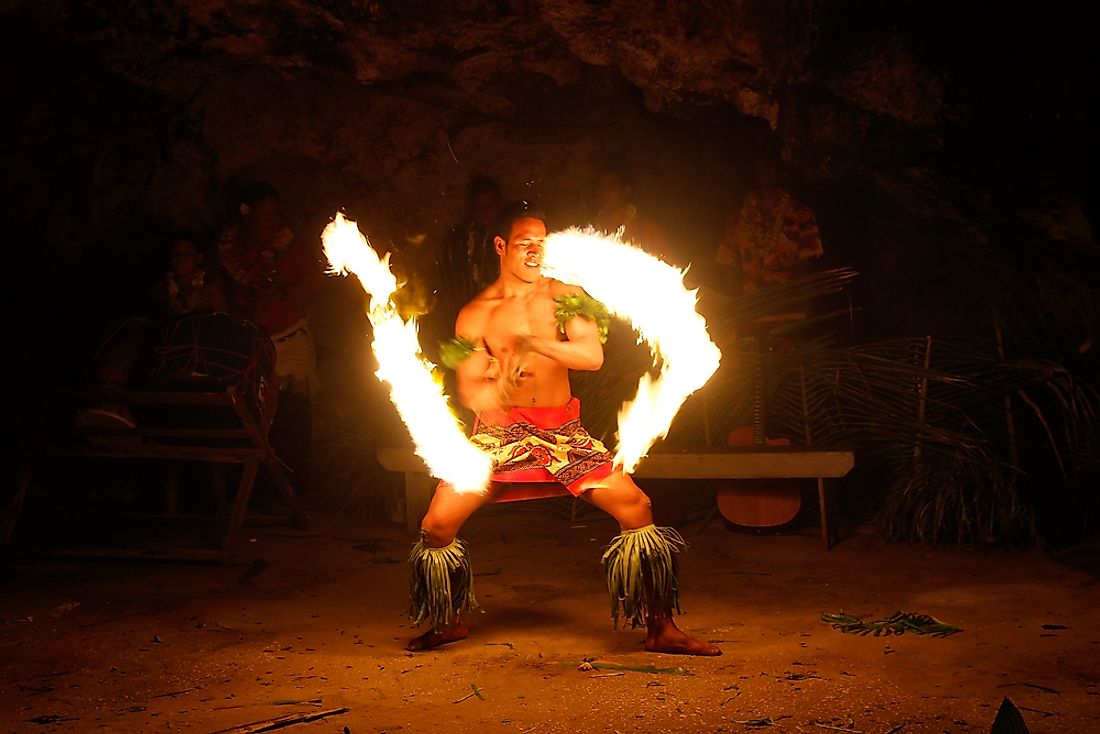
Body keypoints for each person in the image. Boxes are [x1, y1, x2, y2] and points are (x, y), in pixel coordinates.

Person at [407, 201, 721, 657]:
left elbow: (591, 356)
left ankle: (661, 628)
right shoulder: (473, 315)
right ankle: (449, 621)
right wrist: (499, 383)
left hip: (562, 435)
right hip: (499, 436)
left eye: (541, 243)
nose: (535, 252)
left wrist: (535, 344)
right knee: (435, 527)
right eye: (524, 244)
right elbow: (472, 390)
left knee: (637, 508)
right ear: (501, 246)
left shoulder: (566, 296)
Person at [219, 182, 322, 495]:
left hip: (290, 339)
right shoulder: (231, 251)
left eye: (276, 213)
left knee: (291, 415)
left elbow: (314, 283)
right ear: (246, 214)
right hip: (250, 345)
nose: (272, 221)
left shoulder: (292, 245)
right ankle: (254, 491)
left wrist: (280, 293)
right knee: (249, 415)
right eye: (265, 215)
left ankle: (292, 491)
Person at [714, 159, 824, 295]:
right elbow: (728, 264)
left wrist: (792, 295)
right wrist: (735, 304)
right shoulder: (738, 218)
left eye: (767, 164)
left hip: (789, 306)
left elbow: (807, 262)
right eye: (757, 166)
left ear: (781, 172)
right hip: (750, 307)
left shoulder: (801, 214)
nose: (762, 169)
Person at [592, 158, 671, 261]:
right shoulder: (591, 230)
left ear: (626, 190)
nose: (604, 193)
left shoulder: (647, 230)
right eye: (600, 187)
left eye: (611, 187)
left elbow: (666, 266)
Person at [151, 232, 228, 318]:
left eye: (187, 254)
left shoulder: (211, 290)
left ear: (198, 258)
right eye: (176, 253)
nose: (180, 258)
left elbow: (224, 323)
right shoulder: (161, 290)